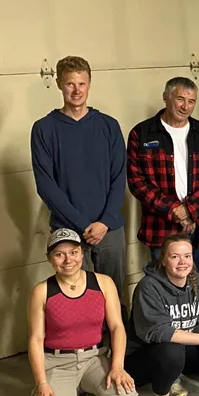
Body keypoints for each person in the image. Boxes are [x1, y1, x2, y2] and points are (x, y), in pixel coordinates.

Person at [27, 228, 137, 396]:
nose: (68, 260)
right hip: (57, 362)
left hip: (93, 357)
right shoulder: (42, 291)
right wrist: (42, 383)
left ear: (82, 253)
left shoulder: (103, 283)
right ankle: (62, 395)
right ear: (50, 258)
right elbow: (36, 340)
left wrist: (117, 366)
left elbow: (117, 327)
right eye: (59, 254)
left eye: (74, 252)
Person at [31, 56, 127, 295]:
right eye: (70, 84)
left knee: (113, 295)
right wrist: (84, 225)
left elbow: (119, 177)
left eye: (81, 84)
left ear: (89, 84)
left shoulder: (109, 126)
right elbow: (46, 185)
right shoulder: (44, 129)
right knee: (76, 296)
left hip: (109, 227)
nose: (76, 90)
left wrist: (104, 222)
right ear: (58, 84)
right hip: (69, 229)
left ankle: (117, 334)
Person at [126, 77, 199, 294]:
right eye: (180, 99)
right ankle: (168, 329)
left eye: (191, 101)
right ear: (165, 97)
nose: (185, 106)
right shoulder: (141, 134)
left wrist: (190, 210)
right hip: (161, 226)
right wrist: (175, 211)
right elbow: (137, 182)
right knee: (165, 289)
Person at [125, 233, 199, 396]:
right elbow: (159, 331)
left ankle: (173, 376)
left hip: (181, 348)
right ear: (163, 260)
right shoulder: (149, 286)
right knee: (172, 351)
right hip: (142, 357)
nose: (182, 262)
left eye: (187, 256)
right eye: (174, 256)